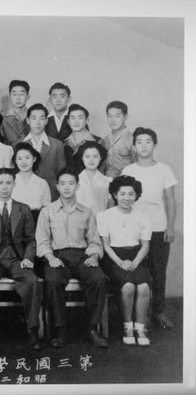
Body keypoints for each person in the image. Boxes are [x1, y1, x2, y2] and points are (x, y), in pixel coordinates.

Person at [36, 168, 109, 348]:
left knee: (99, 279)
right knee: (52, 280)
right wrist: (50, 257)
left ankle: (92, 328)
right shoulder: (47, 211)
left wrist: (93, 255)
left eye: (71, 183)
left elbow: (94, 240)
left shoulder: (86, 212)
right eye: (63, 183)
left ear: (77, 186)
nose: (67, 187)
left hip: (81, 255)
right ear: (57, 186)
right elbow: (42, 240)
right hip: (57, 256)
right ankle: (59, 329)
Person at [0, 168, 42, 350]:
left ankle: (33, 331)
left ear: (14, 184)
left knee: (32, 281)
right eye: (1, 183)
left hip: (17, 260)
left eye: (8, 183)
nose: (4, 187)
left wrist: (28, 257)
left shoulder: (24, 209)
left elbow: (30, 239)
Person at [122, 127, 177, 329]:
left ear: (154, 145)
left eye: (148, 141)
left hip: (157, 226)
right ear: (134, 146)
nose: (143, 146)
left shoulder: (164, 169)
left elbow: (171, 200)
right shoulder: (128, 171)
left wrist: (170, 226)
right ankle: (134, 315)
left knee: (158, 271)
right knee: (134, 270)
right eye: (139, 142)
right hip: (132, 229)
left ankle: (159, 311)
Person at [97, 175, 152, 346]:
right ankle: (128, 327)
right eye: (122, 194)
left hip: (137, 256)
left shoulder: (143, 216)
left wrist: (135, 261)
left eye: (131, 194)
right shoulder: (104, 216)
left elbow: (145, 245)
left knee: (143, 287)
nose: (126, 198)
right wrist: (120, 262)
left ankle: (140, 328)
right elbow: (105, 245)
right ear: (115, 194)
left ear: (136, 196)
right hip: (113, 257)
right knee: (127, 286)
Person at [22, 103, 66, 201]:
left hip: (50, 195)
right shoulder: (18, 144)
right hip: (24, 195)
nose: (38, 122)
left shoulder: (57, 145)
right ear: (28, 120)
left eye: (41, 118)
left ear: (46, 121)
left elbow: (62, 174)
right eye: (34, 118)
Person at [11, 142, 51, 223]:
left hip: (37, 222)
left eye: (27, 158)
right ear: (15, 161)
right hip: (15, 222)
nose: (23, 162)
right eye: (19, 159)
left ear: (34, 159)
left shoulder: (42, 183)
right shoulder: (10, 182)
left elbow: (47, 210)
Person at [75, 141, 113, 215]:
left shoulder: (108, 182)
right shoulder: (75, 181)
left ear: (100, 158)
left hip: (101, 223)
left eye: (95, 156)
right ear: (82, 158)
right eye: (87, 156)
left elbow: (110, 210)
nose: (91, 160)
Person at [64, 103, 106, 168]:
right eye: (73, 118)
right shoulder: (63, 143)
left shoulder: (98, 141)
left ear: (86, 121)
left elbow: (102, 169)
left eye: (80, 118)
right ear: (68, 121)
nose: (76, 121)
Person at [103, 101, 136, 177]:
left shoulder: (132, 139)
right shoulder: (105, 139)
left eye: (117, 116)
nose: (113, 120)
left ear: (125, 117)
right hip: (107, 181)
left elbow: (137, 164)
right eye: (109, 116)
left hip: (125, 182)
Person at [1, 80, 30, 147]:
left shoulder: (33, 116)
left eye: (22, 94)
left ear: (28, 96)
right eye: (14, 94)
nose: (18, 98)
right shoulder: (2, 117)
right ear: (10, 96)